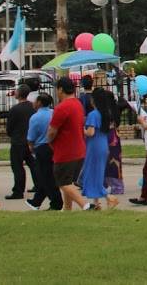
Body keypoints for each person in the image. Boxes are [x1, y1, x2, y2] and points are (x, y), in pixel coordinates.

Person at [47, 76, 87, 211]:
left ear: (61, 89)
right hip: (79, 149)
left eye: (57, 88)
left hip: (65, 151)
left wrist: (48, 140)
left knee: (62, 183)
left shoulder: (61, 107)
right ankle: (67, 209)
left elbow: (52, 131)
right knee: (68, 182)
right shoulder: (78, 104)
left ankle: (85, 205)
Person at [80, 88, 116, 209]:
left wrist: (81, 129)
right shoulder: (105, 114)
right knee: (98, 173)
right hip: (102, 144)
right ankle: (96, 202)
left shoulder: (93, 115)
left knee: (93, 173)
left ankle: (108, 197)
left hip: (94, 146)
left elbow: (90, 132)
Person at [26, 93, 59, 210]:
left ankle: (56, 202)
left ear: (39, 103)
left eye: (35, 101)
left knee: (46, 177)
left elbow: (31, 137)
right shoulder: (53, 113)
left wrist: (31, 147)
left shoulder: (35, 117)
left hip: (41, 147)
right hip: (54, 146)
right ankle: (37, 200)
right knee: (47, 175)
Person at [5, 84, 37, 200]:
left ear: (19, 94)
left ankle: (18, 191)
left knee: (17, 167)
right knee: (33, 165)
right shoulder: (32, 107)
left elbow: (9, 127)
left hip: (18, 141)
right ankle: (38, 185)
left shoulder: (15, 109)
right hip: (29, 140)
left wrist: (11, 134)